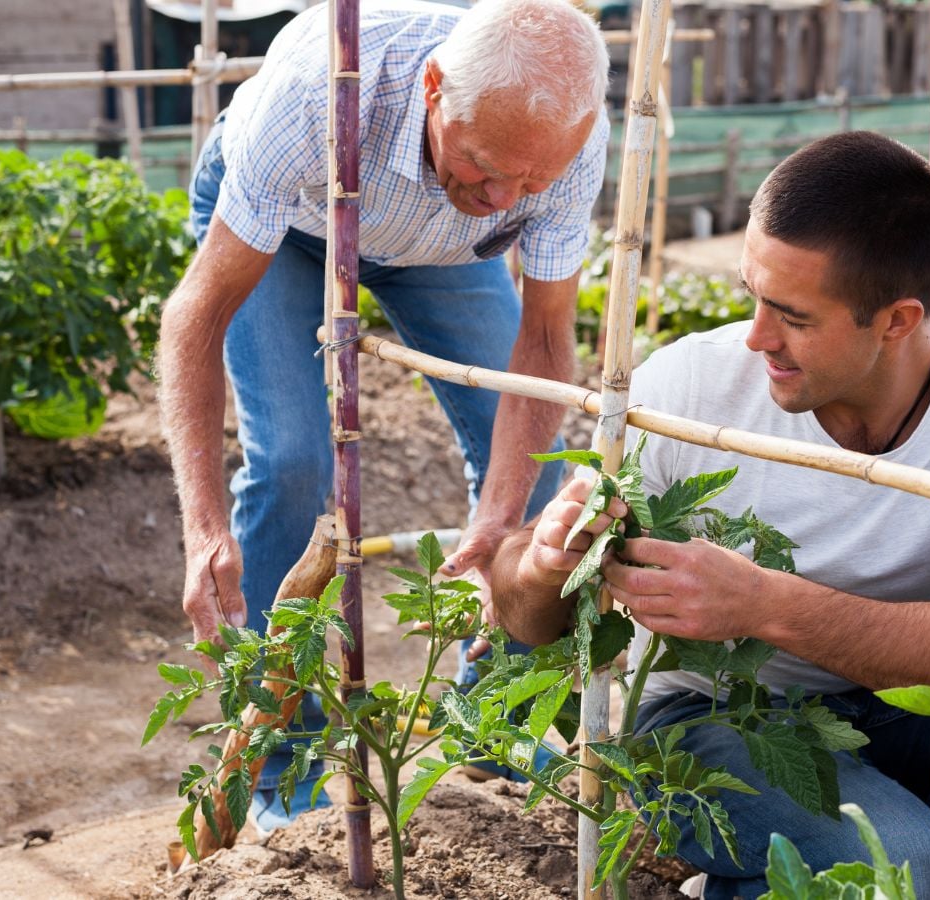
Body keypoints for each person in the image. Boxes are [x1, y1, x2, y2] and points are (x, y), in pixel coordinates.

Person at [489, 131, 930, 899]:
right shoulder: (684, 390)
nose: (756, 337)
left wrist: (762, 604)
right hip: (711, 713)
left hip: (882, 701)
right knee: (903, 864)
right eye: (753, 294)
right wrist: (542, 560)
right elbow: (528, 623)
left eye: (793, 316)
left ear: (895, 319)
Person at [157, 0, 609, 829]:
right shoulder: (311, 98)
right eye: (484, 161)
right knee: (293, 462)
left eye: (531, 181)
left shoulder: (561, 139)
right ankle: (280, 755)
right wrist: (204, 530)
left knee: (538, 485)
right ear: (434, 87)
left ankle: (492, 720)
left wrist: (496, 517)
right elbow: (198, 314)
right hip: (290, 226)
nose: (505, 195)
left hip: (438, 245)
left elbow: (545, 337)